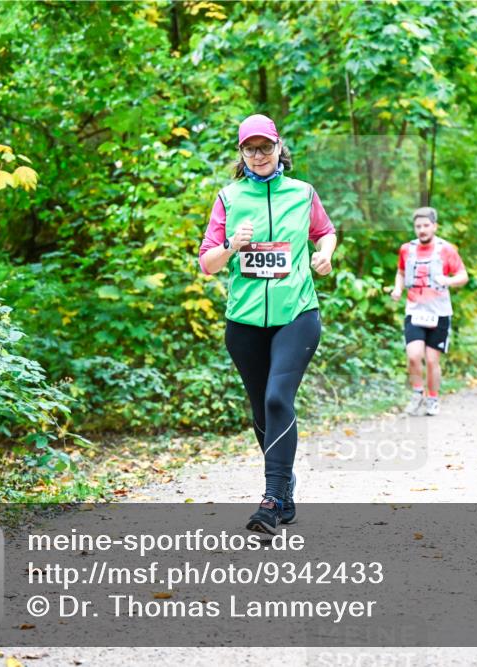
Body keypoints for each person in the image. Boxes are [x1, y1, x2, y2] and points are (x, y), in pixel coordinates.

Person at [198, 114, 337, 534]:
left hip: (297, 314)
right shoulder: (228, 197)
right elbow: (207, 263)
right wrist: (231, 245)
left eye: (265, 147)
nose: (258, 155)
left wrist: (325, 254)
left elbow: (325, 231)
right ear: (241, 153)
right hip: (244, 323)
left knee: (278, 399)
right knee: (262, 410)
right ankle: (285, 487)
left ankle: (271, 499)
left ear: (279, 147)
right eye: (250, 148)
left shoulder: (302, 192)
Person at [392, 207, 469, 416]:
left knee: (432, 360)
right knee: (413, 356)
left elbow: (463, 276)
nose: (422, 230)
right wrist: (398, 288)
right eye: (418, 226)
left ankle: (433, 398)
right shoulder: (407, 249)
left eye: (426, 225)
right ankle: (418, 393)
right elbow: (401, 272)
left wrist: (448, 280)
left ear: (434, 226)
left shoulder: (446, 249)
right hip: (415, 310)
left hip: (439, 313)